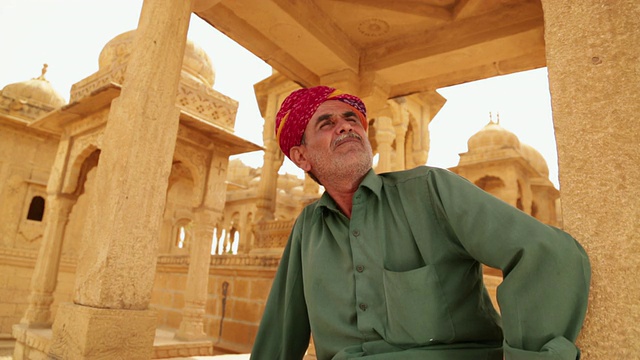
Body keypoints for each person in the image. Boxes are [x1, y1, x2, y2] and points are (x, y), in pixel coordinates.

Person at [250, 86, 591, 360]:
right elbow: (281, 330)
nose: (346, 126)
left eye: (352, 118)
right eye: (326, 123)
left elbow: (549, 254)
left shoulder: (430, 190)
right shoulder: (309, 228)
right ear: (301, 156)